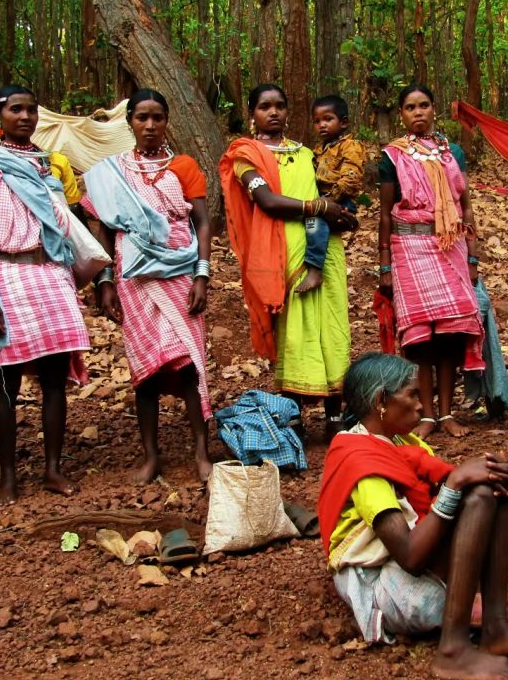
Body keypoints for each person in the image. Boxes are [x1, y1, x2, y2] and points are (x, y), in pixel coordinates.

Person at [318, 352, 508, 680]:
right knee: (475, 495)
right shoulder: (362, 463)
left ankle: (495, 628)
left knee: (486, 490)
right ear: (381, 401)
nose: (423, 406)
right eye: (413, 395)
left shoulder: (398, 442)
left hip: (409, 580)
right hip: (387, 593)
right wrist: (454, 485)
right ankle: (452, 651)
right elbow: (409, 554)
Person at [0, 84, 90, 503]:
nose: (25, 117)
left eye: (31, 110)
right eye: (16, 109)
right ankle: (8, 477)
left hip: (50, 270)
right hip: (5, 272)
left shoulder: (53, 164)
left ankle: (52, 470)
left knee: (54, 379)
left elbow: (74, 219)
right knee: (6, 379)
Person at [82, 89, 214, 483]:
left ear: (167, 121)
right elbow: (104, 228)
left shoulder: (185, 166)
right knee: (145, 368)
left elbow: (203, 223)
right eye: (142, 118)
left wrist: (203, 275)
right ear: (131, 123)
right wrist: (103, 282)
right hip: (133, 276)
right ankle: (151, 456)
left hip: (181, 272)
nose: (150, 125)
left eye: (158, 117)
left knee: (190, 362)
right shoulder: (113, 172)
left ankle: (201, 453)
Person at [218, 84, 356, 434]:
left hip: (325, 250)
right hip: (281, 249)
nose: (274, 112)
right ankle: (293, 416)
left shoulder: (309, 153)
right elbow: (267, 201)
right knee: (295, 333)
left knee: (332, 328)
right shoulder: (244, 155)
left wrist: (339, 213)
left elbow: (331, 193)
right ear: (253, 114)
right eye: (265, 106)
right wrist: (318, 207)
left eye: (280, 105)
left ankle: (335, 416)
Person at [379, 84, 484, 439]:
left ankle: (447, 413)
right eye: (410, 107)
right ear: (402, 114)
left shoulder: (452, 151)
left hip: (449, 246)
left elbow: (465, 204)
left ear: (434, 109)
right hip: (409, 248)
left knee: (451, 336)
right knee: (421, 339)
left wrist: (472, 255)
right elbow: (384, 214)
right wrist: (384, 266)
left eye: (424, 105)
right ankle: (425, 416)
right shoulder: (392, 156)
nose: (418, 112)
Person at [298, 95, 365, 294]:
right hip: (321, 198)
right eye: (317, 121)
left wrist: (328, 201)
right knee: (308, 220)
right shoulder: (318, 149)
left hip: (340, 198)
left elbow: (351, 178)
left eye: (328, 119)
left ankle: (315, 269)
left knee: (316, 222)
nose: (322, 125)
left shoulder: (351, 146)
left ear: (343, 122)